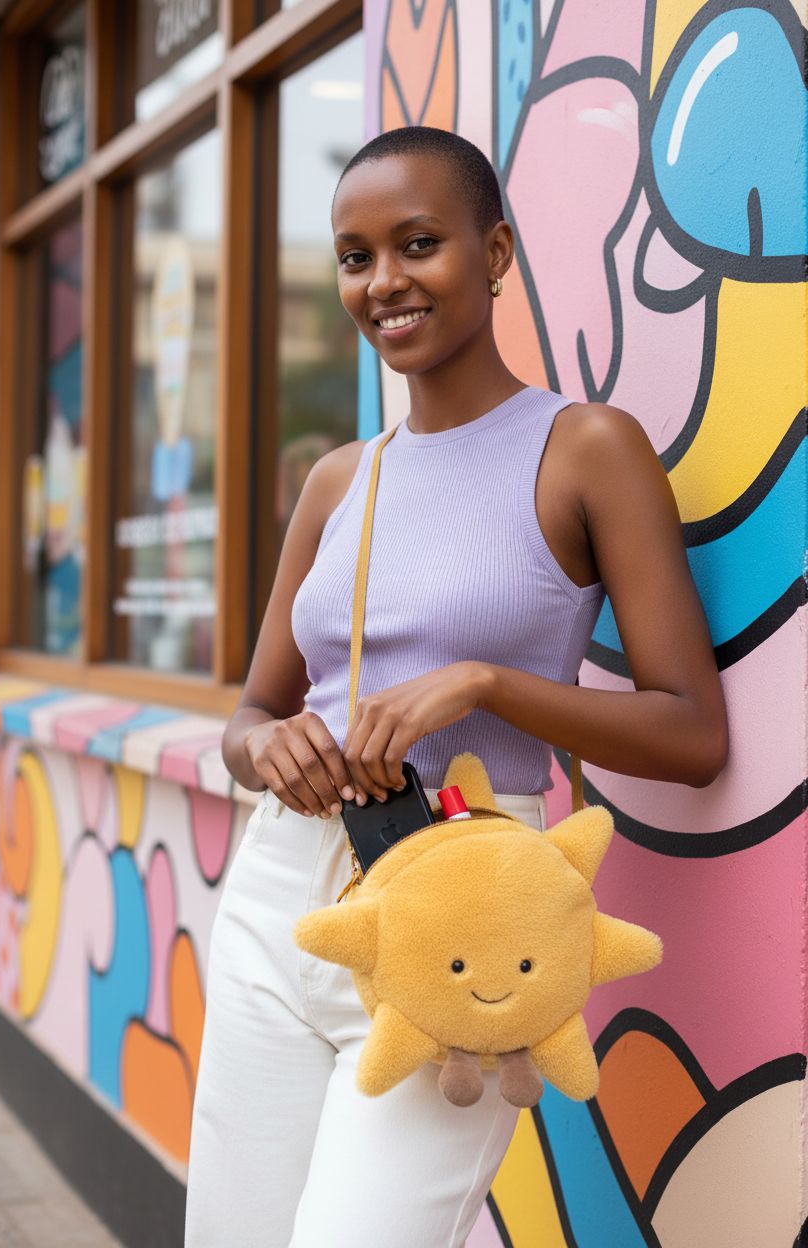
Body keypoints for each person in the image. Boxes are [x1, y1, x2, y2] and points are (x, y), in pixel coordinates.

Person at [184, 126, 728, 1247]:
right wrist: (265, 750)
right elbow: (249, 714)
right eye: (353, 256)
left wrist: (482, 684)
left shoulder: (584, 449)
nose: (383, 281)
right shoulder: (342, 478)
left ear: (494, 253)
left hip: (466, 911)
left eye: (416, 244)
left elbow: (690, 734)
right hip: (283, 900)